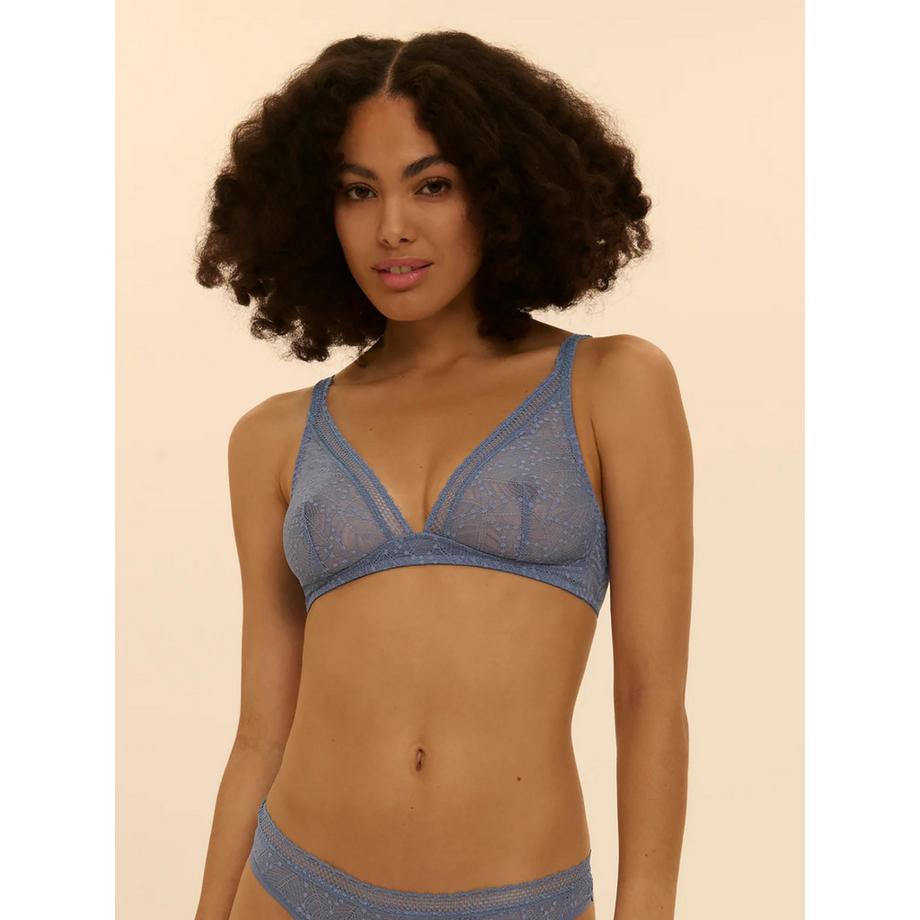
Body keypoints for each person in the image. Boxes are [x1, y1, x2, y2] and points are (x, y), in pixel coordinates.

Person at [192, 30, 693, 920]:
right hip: (292, 887)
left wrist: (647, 902)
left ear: (498, 191)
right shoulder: (272, 439)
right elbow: (260, 734)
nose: (392, 226)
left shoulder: (612, 387)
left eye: (432, 184)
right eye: (358, 190)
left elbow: (651, 697)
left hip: (522, 897)